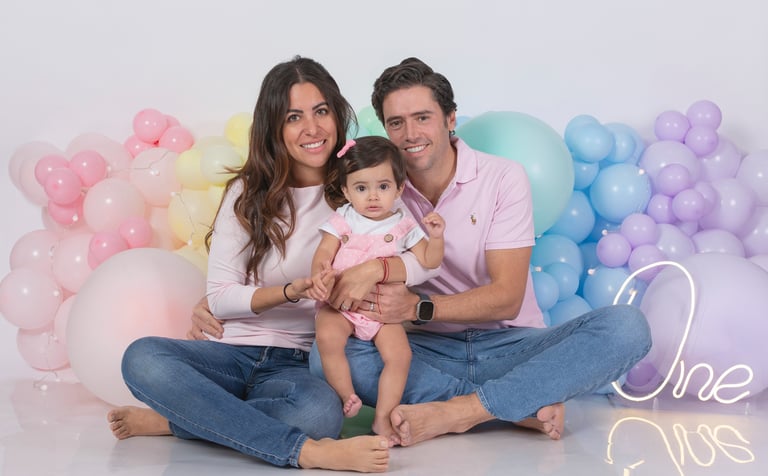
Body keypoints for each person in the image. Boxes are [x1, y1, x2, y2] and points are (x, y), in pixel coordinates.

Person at [189, 57, 652, 448]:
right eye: (396, 123)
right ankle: (513, 405)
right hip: (423, 349)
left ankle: (462, 412)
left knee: (626, 327)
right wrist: (216, 298)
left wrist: (412, 300)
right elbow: (307, 246)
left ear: (451, 118)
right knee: (331, 356)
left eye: (423, 117)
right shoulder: (374, 189)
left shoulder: (501, 177)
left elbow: (507, 297)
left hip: (509, 343)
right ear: (384, 132)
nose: (410, 134)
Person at [106, 56, 391, 472]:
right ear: (274, 127)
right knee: (142, 358)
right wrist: (292, 290)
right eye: (294, 117)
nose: (312, 128)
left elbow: (405, 258)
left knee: (318, 415)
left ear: (337, 114)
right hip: (229, 352)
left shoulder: (359, 192)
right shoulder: (247, 193)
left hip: (297, 361)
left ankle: (183, 420)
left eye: (321, 111)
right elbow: (220, 300)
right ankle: (308, 453)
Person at [307, 135, 445, 444]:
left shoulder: (404, 224)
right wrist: (321, 274)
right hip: (340, 303)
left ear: (399, 189)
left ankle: (383, 417)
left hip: (381, 310)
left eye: (383, 187)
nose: (372, 197)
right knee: (328, 336)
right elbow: (324, 251)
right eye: (361, 188)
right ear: (346, 191)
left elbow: (429, 260)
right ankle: (347, 396)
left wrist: (436, 237)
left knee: (400, 355)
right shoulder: (345, 217)